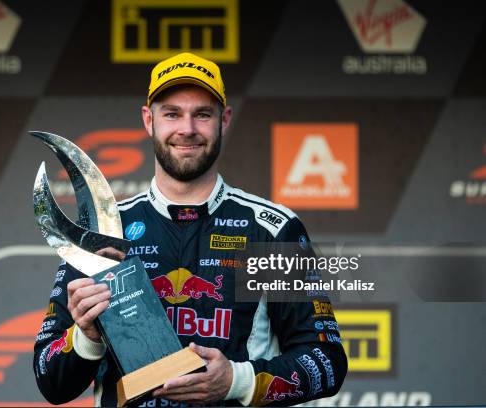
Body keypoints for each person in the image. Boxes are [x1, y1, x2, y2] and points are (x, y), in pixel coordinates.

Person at [33, 52, 347, 407]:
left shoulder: (269, 231)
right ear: (148, 120)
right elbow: (50, 381)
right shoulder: (103, 232)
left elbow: (327, 362)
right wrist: (88, 336)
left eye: (202, 114)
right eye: (171, 114)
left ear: (224, 120)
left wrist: (237, 382)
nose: (187, 129)